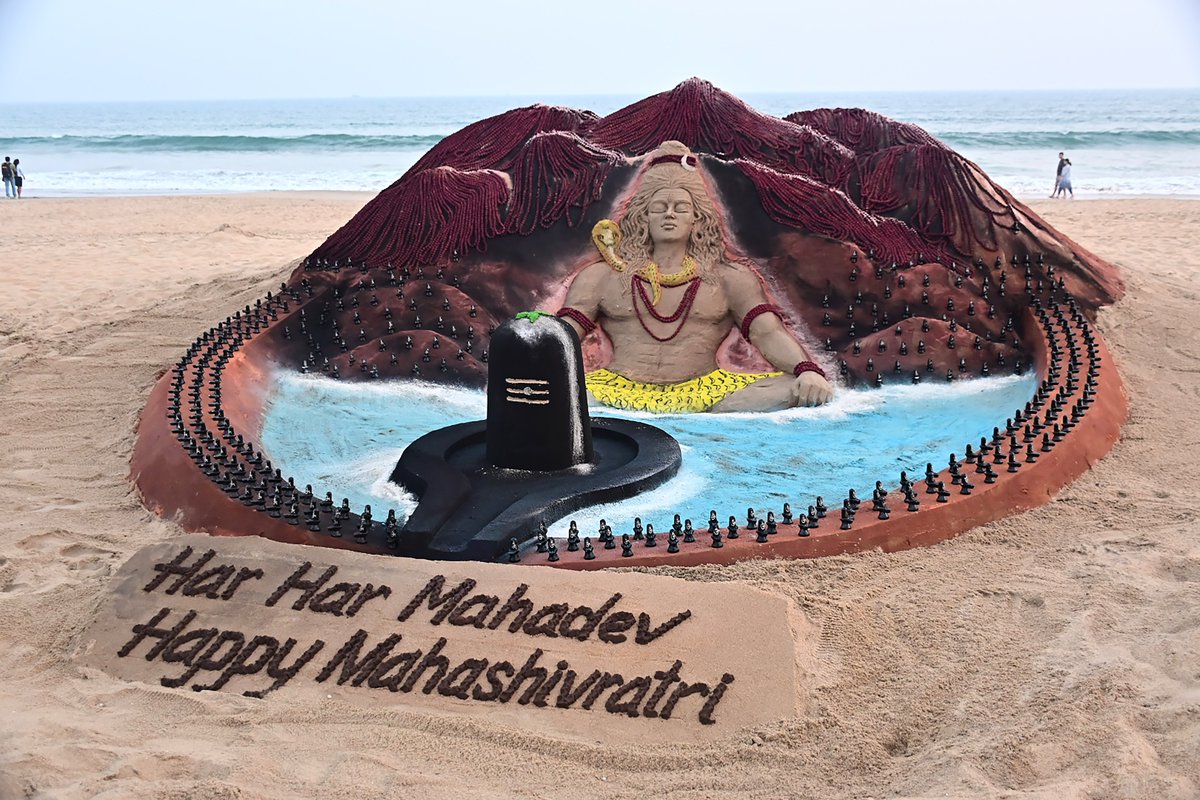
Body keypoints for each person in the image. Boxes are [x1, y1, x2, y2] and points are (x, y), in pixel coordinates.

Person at [556, 140, 834, 413]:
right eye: (659, 207)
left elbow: (767, 332)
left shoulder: (730, 278)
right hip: (613, 390)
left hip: (708, 393)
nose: (669, 215)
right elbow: (563, 334)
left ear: (696, 218)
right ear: (643, 217)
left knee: (794, 387)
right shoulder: (601, 276)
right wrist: (536, 354)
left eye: (680, 208)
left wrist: (806, 370)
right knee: (555, 392)